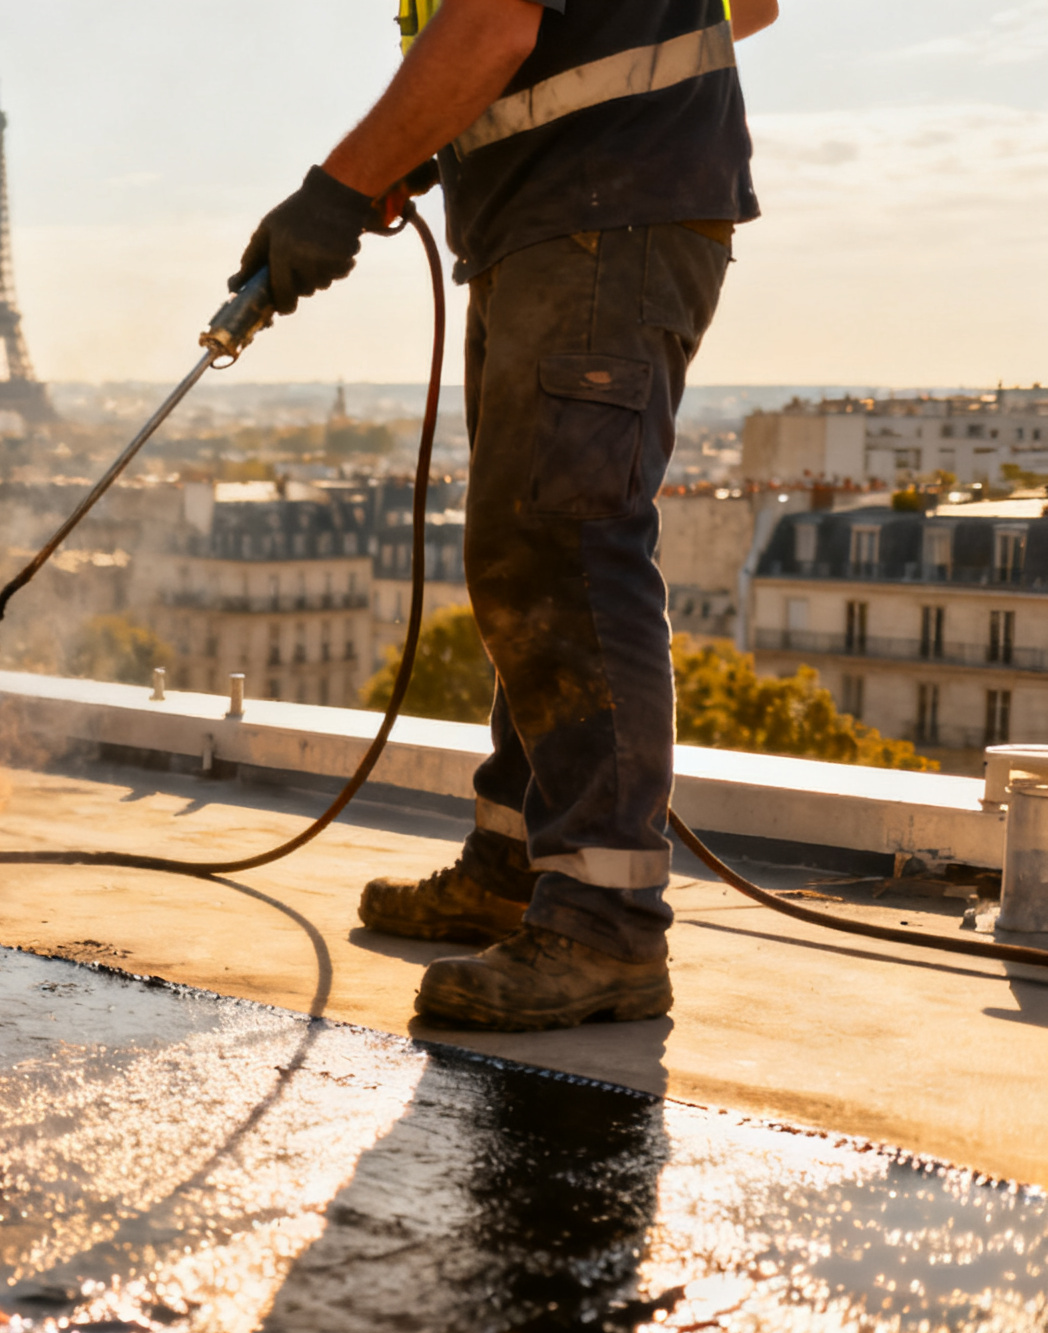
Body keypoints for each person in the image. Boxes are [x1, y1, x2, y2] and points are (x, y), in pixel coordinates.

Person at [233, 0, 778, 1030]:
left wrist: (336, 190)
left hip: (597, 209)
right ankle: (517, 868)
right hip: (572, 211)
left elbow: (492, 22)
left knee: (566, 549)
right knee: (526, 551)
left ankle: (603, 924)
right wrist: (463, 119)